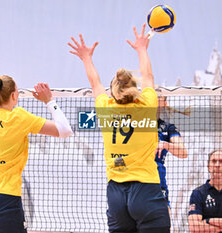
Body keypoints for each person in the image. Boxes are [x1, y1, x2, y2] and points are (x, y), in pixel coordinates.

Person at [68, 24, 170, 232]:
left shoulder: (106, 108)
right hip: (145, 190)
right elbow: (149, 77)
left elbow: (95, 83)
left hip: (116, 193)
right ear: (134, 88)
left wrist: (86, 58)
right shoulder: (146, 106)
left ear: (113, 91)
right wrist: (142, 49)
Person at [0, 75, 73, 233]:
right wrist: (49, 101)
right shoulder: (19, 117)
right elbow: (65, 130)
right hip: (4, 199)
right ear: (13, 95)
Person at [155, 96, 188, 219]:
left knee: (165, 223)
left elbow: (183, 152)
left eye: (160, 97)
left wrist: (165, 144)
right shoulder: (136, 125)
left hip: (158, 183)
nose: (156, 99)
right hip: (137, 181)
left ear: (165, 102)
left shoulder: (168, 128)